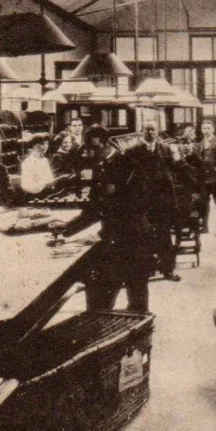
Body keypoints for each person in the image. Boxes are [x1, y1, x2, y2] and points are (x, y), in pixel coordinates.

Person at [75, 124, 152, 313]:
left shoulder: (127, 164)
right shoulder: (99, 167)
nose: (90, 154)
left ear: (104, 144)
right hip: (114, 234)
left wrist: (103, 229)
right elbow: (93, 208)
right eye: (88, 150)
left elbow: (138, 202)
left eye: (93, 149)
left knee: (136, 284)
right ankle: (104, 318)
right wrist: (67, 229)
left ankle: (138, 322)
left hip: (134, 234)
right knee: (109, 283)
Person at [128, 121, 180, 282]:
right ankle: (147, 269)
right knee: (145, 235)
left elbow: (172, 172)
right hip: (143, 201)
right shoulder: (132, 151)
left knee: (164, 234)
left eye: (154, 130)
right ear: (141, 131)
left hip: (162, 200)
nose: (151, 133)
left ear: (158, 132)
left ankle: (168, 269)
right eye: (147, 130)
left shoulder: (165, 149)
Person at [195, 119, 216, 236]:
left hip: (215, 177)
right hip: (203, 179)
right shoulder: (199, 144)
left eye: (208, 128)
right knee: (204, 202)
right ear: (201, 130)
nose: (206, 131)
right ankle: (204, 226)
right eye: (204, 128)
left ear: (213, 129)